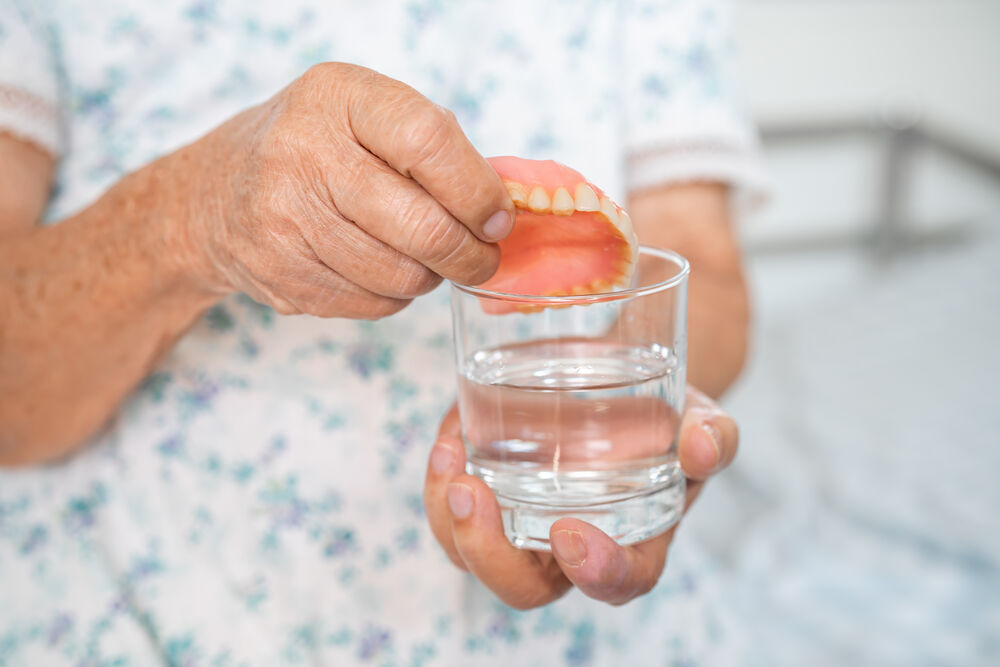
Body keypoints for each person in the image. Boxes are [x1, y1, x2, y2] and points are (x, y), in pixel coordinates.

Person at [0, 1, 762, 664]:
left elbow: (701, 266)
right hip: (149, 606)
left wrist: (608, 437)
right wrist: (189, 215)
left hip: (597, 624)